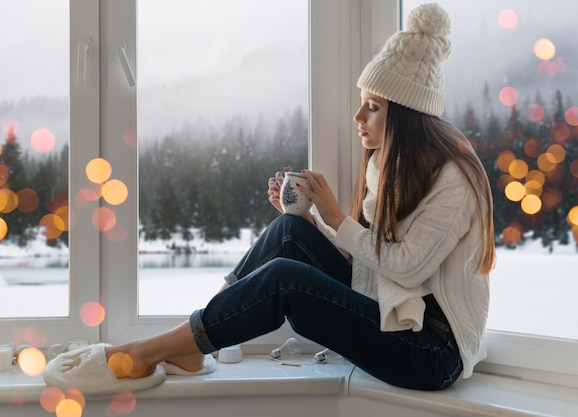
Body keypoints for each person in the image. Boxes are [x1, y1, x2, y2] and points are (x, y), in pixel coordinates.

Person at [105, 3, 495, 391]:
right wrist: (313, 223)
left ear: (407, 117)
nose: (359, 116)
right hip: (390, 314)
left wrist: (337, 219)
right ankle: (192, 345)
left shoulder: (454, 178)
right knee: (289, 230)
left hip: (431, 350)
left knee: (284, 280)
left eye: (373, 108)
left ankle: (161, 348)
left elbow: (406, 269)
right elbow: (370, 268)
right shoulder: (388, 167)